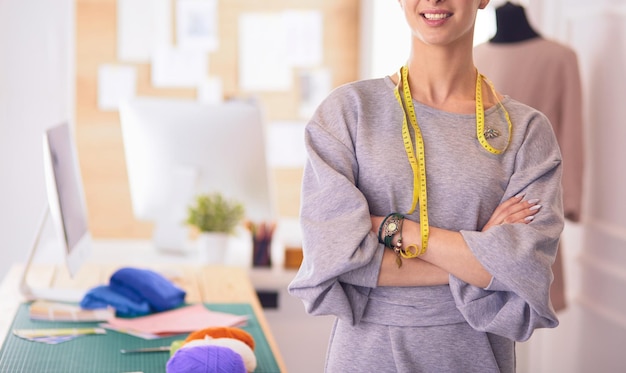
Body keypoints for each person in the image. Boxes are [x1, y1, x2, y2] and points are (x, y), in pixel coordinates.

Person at [288, 0, 563, 372]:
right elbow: (333, 258)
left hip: (474, 356)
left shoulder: (527, 131)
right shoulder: (348, 113)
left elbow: (526, 268)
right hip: (366, 356)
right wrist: (482, 253)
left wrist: (395, 229)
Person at [474, 1, 585, 312]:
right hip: (479, 202)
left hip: (534, 198)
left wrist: (569, 198)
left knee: (529, 298)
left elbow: (572, 129)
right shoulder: (473, 57)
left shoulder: (561, 58)